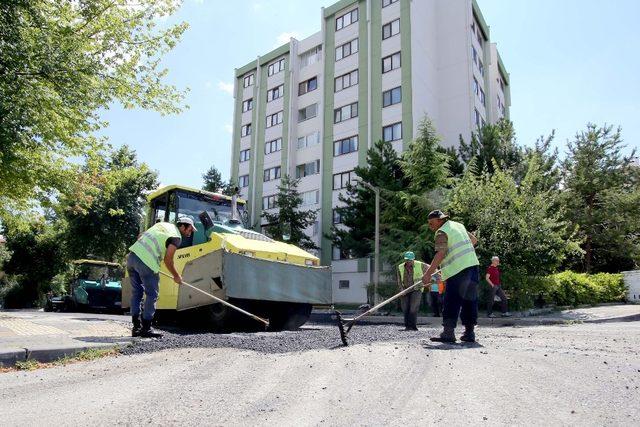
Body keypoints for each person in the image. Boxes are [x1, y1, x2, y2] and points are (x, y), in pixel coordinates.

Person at [126, 217, 196, 337]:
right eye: (189, 230)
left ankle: (136, 327)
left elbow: (140, 236)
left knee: (136, 293)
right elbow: (168, 260)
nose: (189, 234)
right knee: (152, 294)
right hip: (146, 262)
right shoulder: (176, 237)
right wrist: (176, 276)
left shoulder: (163, 225)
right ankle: (146, 329)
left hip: (132, 258)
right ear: (182, 226)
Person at [422, 210, 480, 343]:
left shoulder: (442, 232)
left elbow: (440, 254)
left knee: (451, 301)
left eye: (432, 223)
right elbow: (474, 240)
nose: (430, 226)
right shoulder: (458, 226)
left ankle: (448, 333)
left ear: (440, 220)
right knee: (469, 301)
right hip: (472, 266)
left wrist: (428, 274)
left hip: (458, 271)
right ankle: (469, 333)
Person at [396, 251, 427, 331]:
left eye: (410, 260)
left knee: (413, 308)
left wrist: (438, 277)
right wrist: (401, 289)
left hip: (416, 289)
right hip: (405, 289)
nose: (408, 262)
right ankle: (407, 326)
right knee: (405, 308)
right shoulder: (400, 267)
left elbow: (431, 269)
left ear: (413, 259)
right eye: (407, 260)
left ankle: (413, 326)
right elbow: (399, 280)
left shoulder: (420, 265)